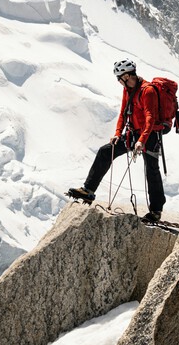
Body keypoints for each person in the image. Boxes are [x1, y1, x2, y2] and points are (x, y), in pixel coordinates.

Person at [68, 58, 166, 222]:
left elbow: (150, 118)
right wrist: (117, 133)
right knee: (106, 151)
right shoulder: (128, 90)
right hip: (133, 134)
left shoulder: (147, 91)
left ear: (127, 76)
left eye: (120, 78)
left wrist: (141, 140)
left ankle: (156, 210)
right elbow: (123, 113)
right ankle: (89, 190)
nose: (119, 82)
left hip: (149, 136)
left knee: (151, 170)